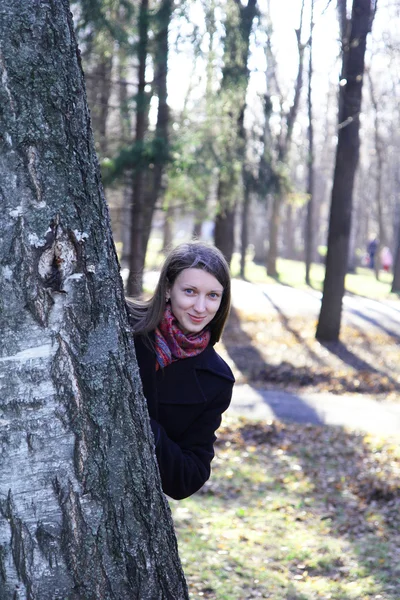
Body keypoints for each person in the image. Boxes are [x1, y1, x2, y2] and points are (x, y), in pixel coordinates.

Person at [126, 242, 235, 500]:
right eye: (189, 291)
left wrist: (146, 430)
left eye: (212, 296)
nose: (200, 307)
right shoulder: (123, 326)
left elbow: (189, 477)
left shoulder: (216, 379)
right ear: (167, 289)